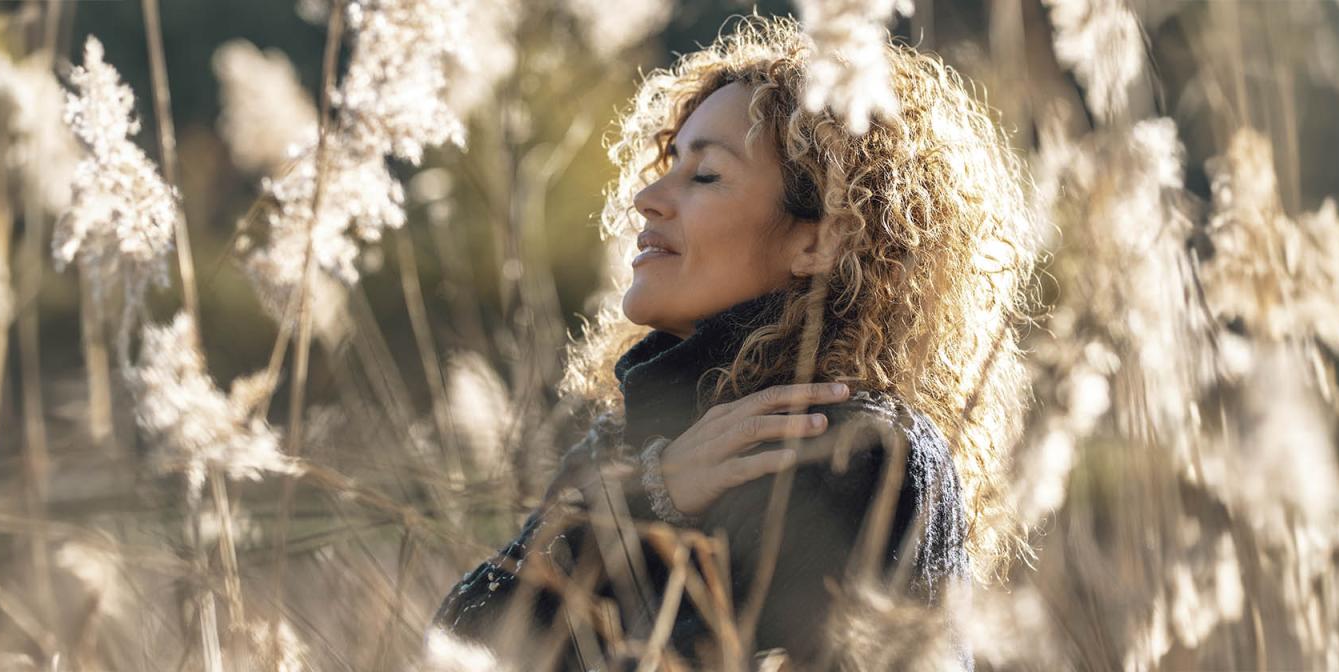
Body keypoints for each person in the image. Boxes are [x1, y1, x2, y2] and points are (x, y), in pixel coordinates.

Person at [432, 14, 1035, 671]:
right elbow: (455, 647)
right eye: (669, 165)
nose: (647, 199)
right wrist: (648, 500)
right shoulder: (616, 447)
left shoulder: (859, 454)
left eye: (705, 176)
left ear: (820, 238)